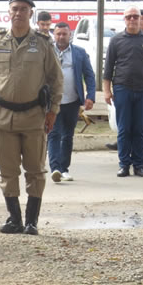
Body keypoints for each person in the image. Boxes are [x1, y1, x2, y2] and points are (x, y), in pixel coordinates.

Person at [0, 0, 62, 235]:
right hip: (3, 115)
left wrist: (54, 110)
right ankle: (14, 218)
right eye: (14, 9)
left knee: (35, 170)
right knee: (7, 171)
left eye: (23, 9)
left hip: (33, 115)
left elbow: (56, 78)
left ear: (31, 13)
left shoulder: (42, 42)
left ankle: (31, 221)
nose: (18, 13)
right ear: (8, 12)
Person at [103, 6, 143, 177]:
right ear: (124, 20)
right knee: (124, 129)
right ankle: (124, 165)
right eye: (129, 17)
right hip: (122, 89)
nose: (132, 20)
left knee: (139, 129)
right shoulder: (116, 40)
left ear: (139, 18)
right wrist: (107, 91)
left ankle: (138, 164)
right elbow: (108, 69)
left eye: (135, 17)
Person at [48, 22, 96, 183]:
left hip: (72, 101)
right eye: (58, 34)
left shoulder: (79, 53)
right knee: (53, 133)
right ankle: (55, 168)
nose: (61, 37)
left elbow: (89, 75)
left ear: (70, 35)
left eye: (64, 34)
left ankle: (64, 168)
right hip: (52, 101)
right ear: (54, 35)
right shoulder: (47, 51)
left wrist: (90, 96)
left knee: (68, 135)